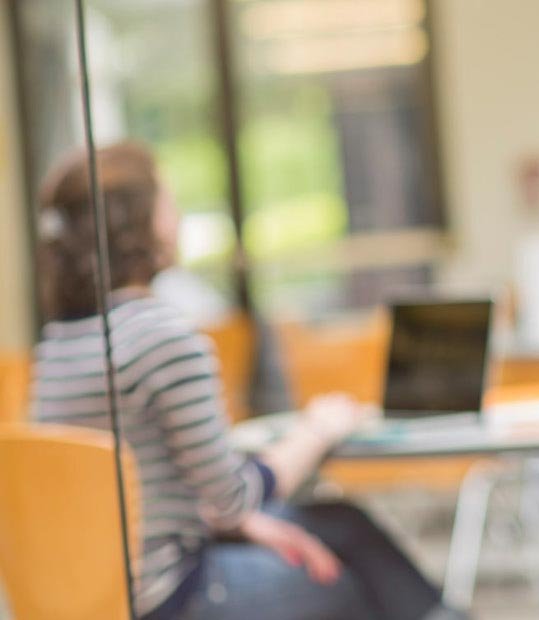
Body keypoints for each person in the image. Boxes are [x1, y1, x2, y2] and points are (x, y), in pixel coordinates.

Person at [29, 142, 464, 620]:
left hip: (97, 596)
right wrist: (317, 430)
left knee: (340, 524)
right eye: (168, 201)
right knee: (351, 576)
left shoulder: (58, 344)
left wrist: (247, 526)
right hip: (172, 598)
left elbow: (155, 503)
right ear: (140, 223)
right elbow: (233, 495)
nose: (178, 218)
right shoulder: (161, 336)